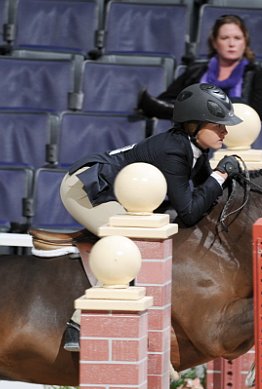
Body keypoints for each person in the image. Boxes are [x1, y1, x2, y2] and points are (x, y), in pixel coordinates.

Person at [60, 83, 244, 351]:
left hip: (112, 188)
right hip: (86, 188)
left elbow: (208, 193)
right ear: (193, 126)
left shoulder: (195, 149)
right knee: (129, 247)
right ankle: (77, 327)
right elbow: (190, 212)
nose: (225, 131)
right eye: (218, 125)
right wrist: (220, 175)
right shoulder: (174, 150)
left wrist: (226, 178)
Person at [138, 14, 262, 121]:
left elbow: (259, 113)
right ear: (214, 43)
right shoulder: (196, 71)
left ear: (245, 42)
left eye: (237, 38)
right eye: (225, 38)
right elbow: (167, 100)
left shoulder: (258, 75)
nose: (231, 44)